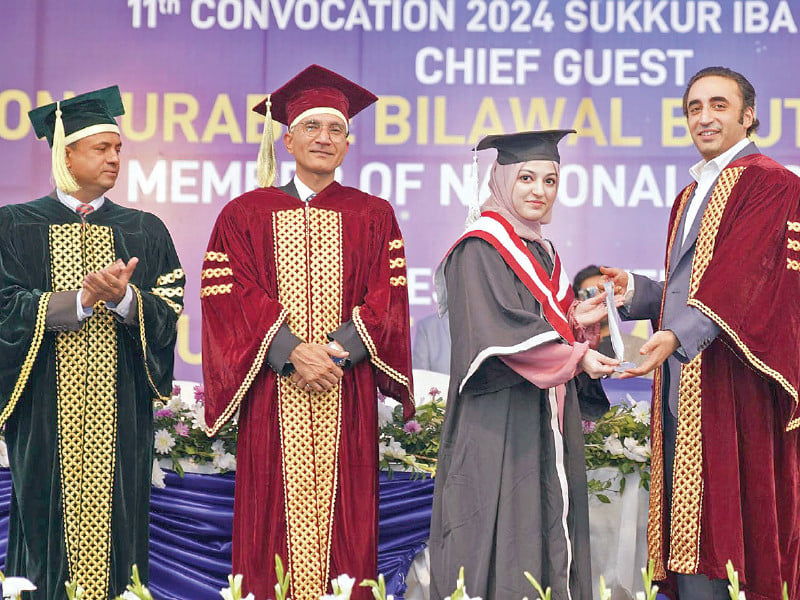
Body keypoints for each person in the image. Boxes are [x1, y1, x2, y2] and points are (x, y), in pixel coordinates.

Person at [201, 65, 414, 600]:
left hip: (346, 390)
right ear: (288, 138)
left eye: (336, 130)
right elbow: (228, 297)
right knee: (268, 524)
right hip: (273, 392)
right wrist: (291, 351)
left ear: (348, 143)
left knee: (349, 525)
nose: (324, 138)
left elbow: (389, 298)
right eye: (312, 127)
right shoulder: (244, 214)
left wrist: (337, 352)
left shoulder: (372, 214)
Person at [604, 66, 800, 600]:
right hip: (684, 379)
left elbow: (746, 276)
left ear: (749, 115)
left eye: (719, 105)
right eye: (695, 107)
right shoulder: (690, 193)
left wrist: (675, 335)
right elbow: (697, 281)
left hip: (735, 386)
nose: (705, 117)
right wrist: (639, 293)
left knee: (731, 538)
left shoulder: (771, 181)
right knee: (689, 537)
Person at [0, 86, 184, 599]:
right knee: (43, 532)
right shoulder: (12, 226)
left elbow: (169, 310)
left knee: (119, 542)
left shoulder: (144, 230)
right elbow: (3, 307)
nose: (114, 158)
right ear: (67, 154)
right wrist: (78, 300)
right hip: (42, 413)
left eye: (118, 149)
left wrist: (127, 301)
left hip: (120, 415)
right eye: (100, 148)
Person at [428, 130, 619, 600]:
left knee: (541, 526)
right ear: (501, 180)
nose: (539, 190)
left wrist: (578, 322)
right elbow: (497, 337)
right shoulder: (478, 249)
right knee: (496, 539)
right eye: (527, 178)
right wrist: (576, 355)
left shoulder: (543, 251)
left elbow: (540, 326)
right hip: (497, 422)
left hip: (541, 419)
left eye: (550, 180)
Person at [572, 264, 650, 377]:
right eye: (588, 293)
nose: (598, 299)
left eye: (604, 292)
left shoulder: (640, 348)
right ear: (576, 300)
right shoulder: (566, 350)